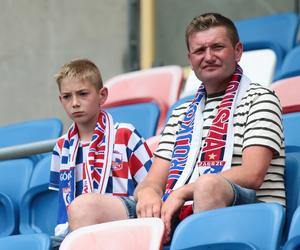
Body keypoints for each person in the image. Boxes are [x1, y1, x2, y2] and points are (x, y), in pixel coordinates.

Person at [134, 12, 285, 242]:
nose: (208, 56)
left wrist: (183, 192)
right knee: (88, 207)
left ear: (237, 51)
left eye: (217, 47)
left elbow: (253, 174)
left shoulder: (261, 99)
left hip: (252, 212)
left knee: (208, 186)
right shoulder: (180, 112)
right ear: (190, 59)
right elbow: (154, 180)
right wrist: (148, 194)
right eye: (199, 51)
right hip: (178, 204)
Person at [49, 59, 153, 248]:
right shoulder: (61, 146)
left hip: (123, 220)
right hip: (77, 226)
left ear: (102, 95)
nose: (74, 103)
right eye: (67, 97)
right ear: (60, 100)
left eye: (82, 94)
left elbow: (151, 183)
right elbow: (63, 204)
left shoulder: (125, 134)